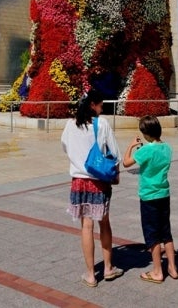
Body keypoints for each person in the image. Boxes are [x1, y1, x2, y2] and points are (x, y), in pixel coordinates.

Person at [61, 89, 123, 287]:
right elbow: (115, 153)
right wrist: (117, 175)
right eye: (100, 104)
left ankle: (90, 274)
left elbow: (65, 147)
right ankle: (107, 268)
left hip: (79, 182)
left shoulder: (70, 124)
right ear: (92, 105)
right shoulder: (101, 124)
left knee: (86, 227)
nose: (102, 107)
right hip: (99, 182)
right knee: (104, 224)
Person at [123, 115, 178, 283]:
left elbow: (126, 163)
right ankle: (173, 267)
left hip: (149, 196)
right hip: (164, 194)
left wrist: (132, 146)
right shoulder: (167, 148)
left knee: (152, 235)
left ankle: (157, 271)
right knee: (166, 233)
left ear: (146, 134)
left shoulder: (145, 150)